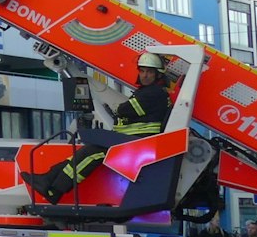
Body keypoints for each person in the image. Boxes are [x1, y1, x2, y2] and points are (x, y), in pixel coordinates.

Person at [25, 53, 175, 201]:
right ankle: (47, 179)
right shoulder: (150, 92)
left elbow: (124, 110)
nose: (145, 75)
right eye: (142, 71)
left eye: (149, 72)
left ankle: (55, 191)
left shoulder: (153, 93)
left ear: (158, 75)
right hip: (132, 141)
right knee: (83, 152)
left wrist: (120, 110)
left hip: (137, 143)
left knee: (91, 154)